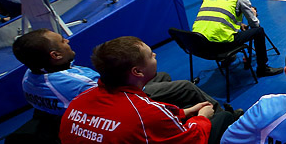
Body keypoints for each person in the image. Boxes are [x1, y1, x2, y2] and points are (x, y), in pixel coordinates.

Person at [59, 36, 240, 144]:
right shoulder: (145, 112)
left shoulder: (80, 100)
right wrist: (201, 118)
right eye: (150, 55)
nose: (155, 55)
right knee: (223, 119)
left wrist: (182, 113)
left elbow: (140, 118)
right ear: (137, 71)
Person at [12, 28, 224, 117]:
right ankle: (223, 115)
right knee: (185, 87)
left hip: (93, 105)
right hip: (118, 107)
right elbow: (117, 97)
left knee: (164, 77)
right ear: (55, 55)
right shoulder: (81, 82)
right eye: (62, 41)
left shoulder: (29, 77)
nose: (67, 40)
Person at [192, 0, 282, 77]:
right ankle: (263, 68)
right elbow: (254, 24)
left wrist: (238, 24)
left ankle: (226, 59)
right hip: (220, 47)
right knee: (259, 31)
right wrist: (253, 14)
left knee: (219, 31)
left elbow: (216, 17)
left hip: (198, 44)